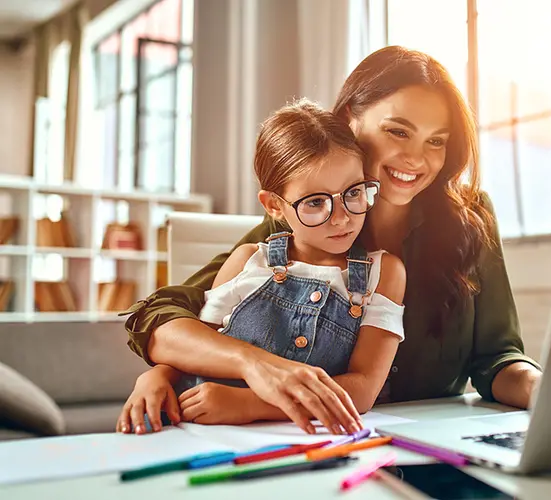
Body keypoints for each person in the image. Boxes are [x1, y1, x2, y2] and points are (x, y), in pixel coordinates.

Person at [118, 46, 542, 436]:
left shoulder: (471, 215)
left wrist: (544, 389)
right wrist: (245, 368)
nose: (417, 159)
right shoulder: (306, 221)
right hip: (314, 438)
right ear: (348, 123)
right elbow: (163, 314)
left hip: (435, 438)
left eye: (436, 141)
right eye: (397, 132)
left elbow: (497, 358)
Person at [117, 100, 406, 435]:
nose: (342, 217)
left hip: (291, 439)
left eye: (353, 192)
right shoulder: (247, 260)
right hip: (197, 431)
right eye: (315, 202)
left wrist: (249, 406)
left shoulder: (383, 274)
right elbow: (198, 346)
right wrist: (156, 375)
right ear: (274, 206)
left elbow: (364, 388)